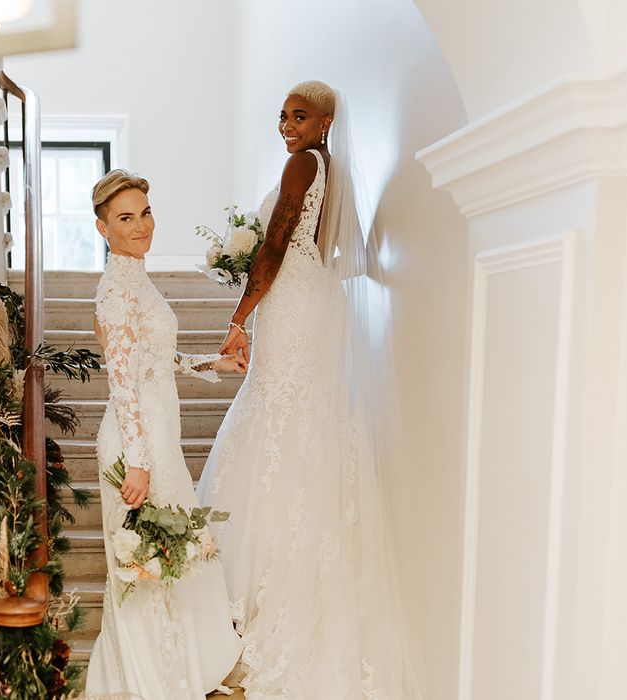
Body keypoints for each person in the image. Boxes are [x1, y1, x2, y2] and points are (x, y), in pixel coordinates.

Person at [197, 81, 423, 698]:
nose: (287, 125)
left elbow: (275, 241)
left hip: (294, 300)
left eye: (300, 116)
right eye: (282, 116)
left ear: (325, 122)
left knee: (277, 411)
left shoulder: (304, 164)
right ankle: (297, 574)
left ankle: (263, 593)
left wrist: (239, 315)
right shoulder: (336, 169)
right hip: (316, 299)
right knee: (303, 417)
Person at [85, 170, 244, 699]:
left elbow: (156, 361)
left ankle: (176, 670)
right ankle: (148, 683)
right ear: (103, 228)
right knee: (143, 570)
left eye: (145, 213)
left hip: (158, 441)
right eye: (125, 218)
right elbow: (123, 381)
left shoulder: (138, 281)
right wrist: (138, 460)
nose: (140, 226)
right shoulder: (114, 289)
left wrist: (213, 364)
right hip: (137, 446)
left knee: (168, 566)